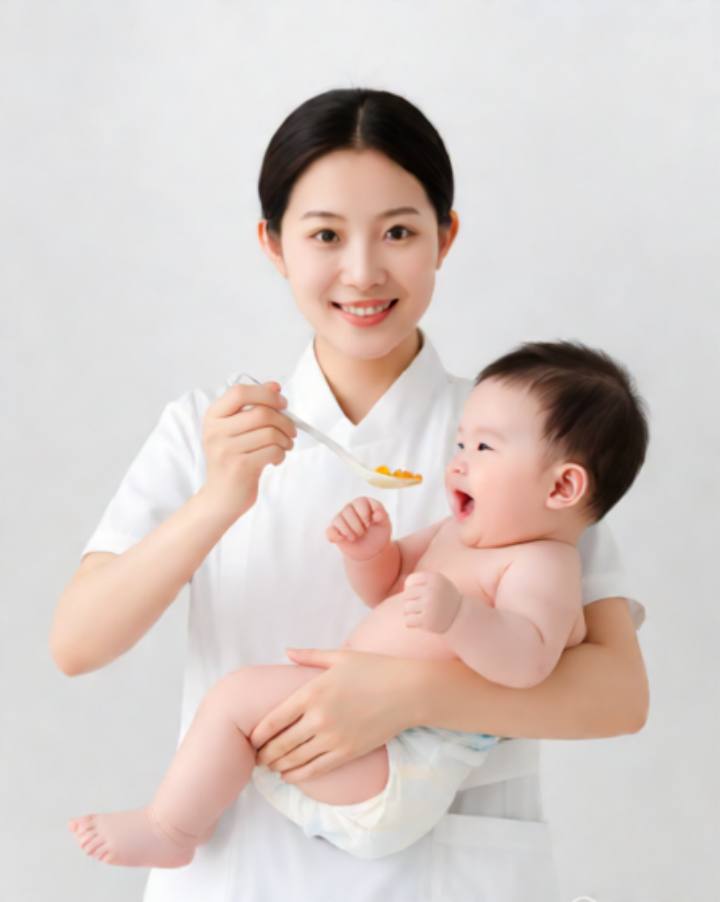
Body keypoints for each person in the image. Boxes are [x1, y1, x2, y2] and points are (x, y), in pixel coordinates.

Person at [51, 88, 649, 902]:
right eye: (325, 235)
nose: (363, 272)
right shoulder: (204, 430)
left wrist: (409, 693)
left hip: (445, 877)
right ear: (273, 244)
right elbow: (78, 644)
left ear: (445, 236)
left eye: (399, 231)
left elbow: (618, 697)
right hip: (243, 872)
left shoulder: (531, 441)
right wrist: (220, 497)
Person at [67, 340, 649, 867]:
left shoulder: (544, 564)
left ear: (562, 487)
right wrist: (371, 552)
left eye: (483, 448)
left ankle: (170, 828)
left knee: (235, 697)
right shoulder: (460, 534)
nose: (458, 461)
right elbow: (387, 587)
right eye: (460, 443)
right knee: (241, 704)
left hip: (406, 763)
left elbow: (528, 661)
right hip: (338, 781)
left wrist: (459, 620)